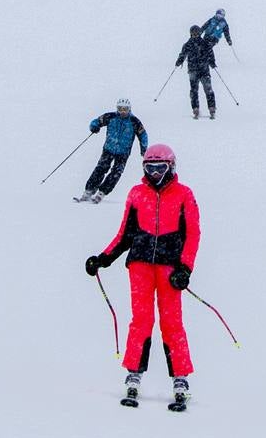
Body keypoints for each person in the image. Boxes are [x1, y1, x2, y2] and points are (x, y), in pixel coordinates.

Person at [86, 142, 201, 409]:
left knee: (172, 321)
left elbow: (193, 234)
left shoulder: (184, 194)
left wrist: (185, 268)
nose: (155, 174)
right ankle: (134, 373)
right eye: (150, 168)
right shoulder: (137, 194)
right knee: (141, 319)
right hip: (140, 264)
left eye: (160, 168)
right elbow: (125, 234)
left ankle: (180, 378)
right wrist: (102, 259)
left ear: (171, 167)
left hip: (170, 267)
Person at [78, 99, 148, 203]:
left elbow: (143, 135)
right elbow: (97, 121)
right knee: (101, 169)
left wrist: (144, 149)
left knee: (116, 172)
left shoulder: (134, 122)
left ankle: (102, 192)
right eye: (120, 109)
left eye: (125, 109)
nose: (123, 111)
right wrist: (94, 126)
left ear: (129, 109)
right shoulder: (110, 117)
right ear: (117, 109)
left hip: (123, 152)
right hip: (108, 149)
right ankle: (89, 191)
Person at [176, 26, 218, 120]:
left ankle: (212, 109)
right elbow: (182, 54)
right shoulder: (188, 44)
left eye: (197, 33)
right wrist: (179, 61)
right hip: (193, 70)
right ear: (190, 33)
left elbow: (210, 53)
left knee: (208, 90)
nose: (195, 35)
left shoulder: (204, 43)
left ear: (200, 33)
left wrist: (212, 62)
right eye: (193, 33)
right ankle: (195, 109)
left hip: (204, 70)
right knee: (194, 91)